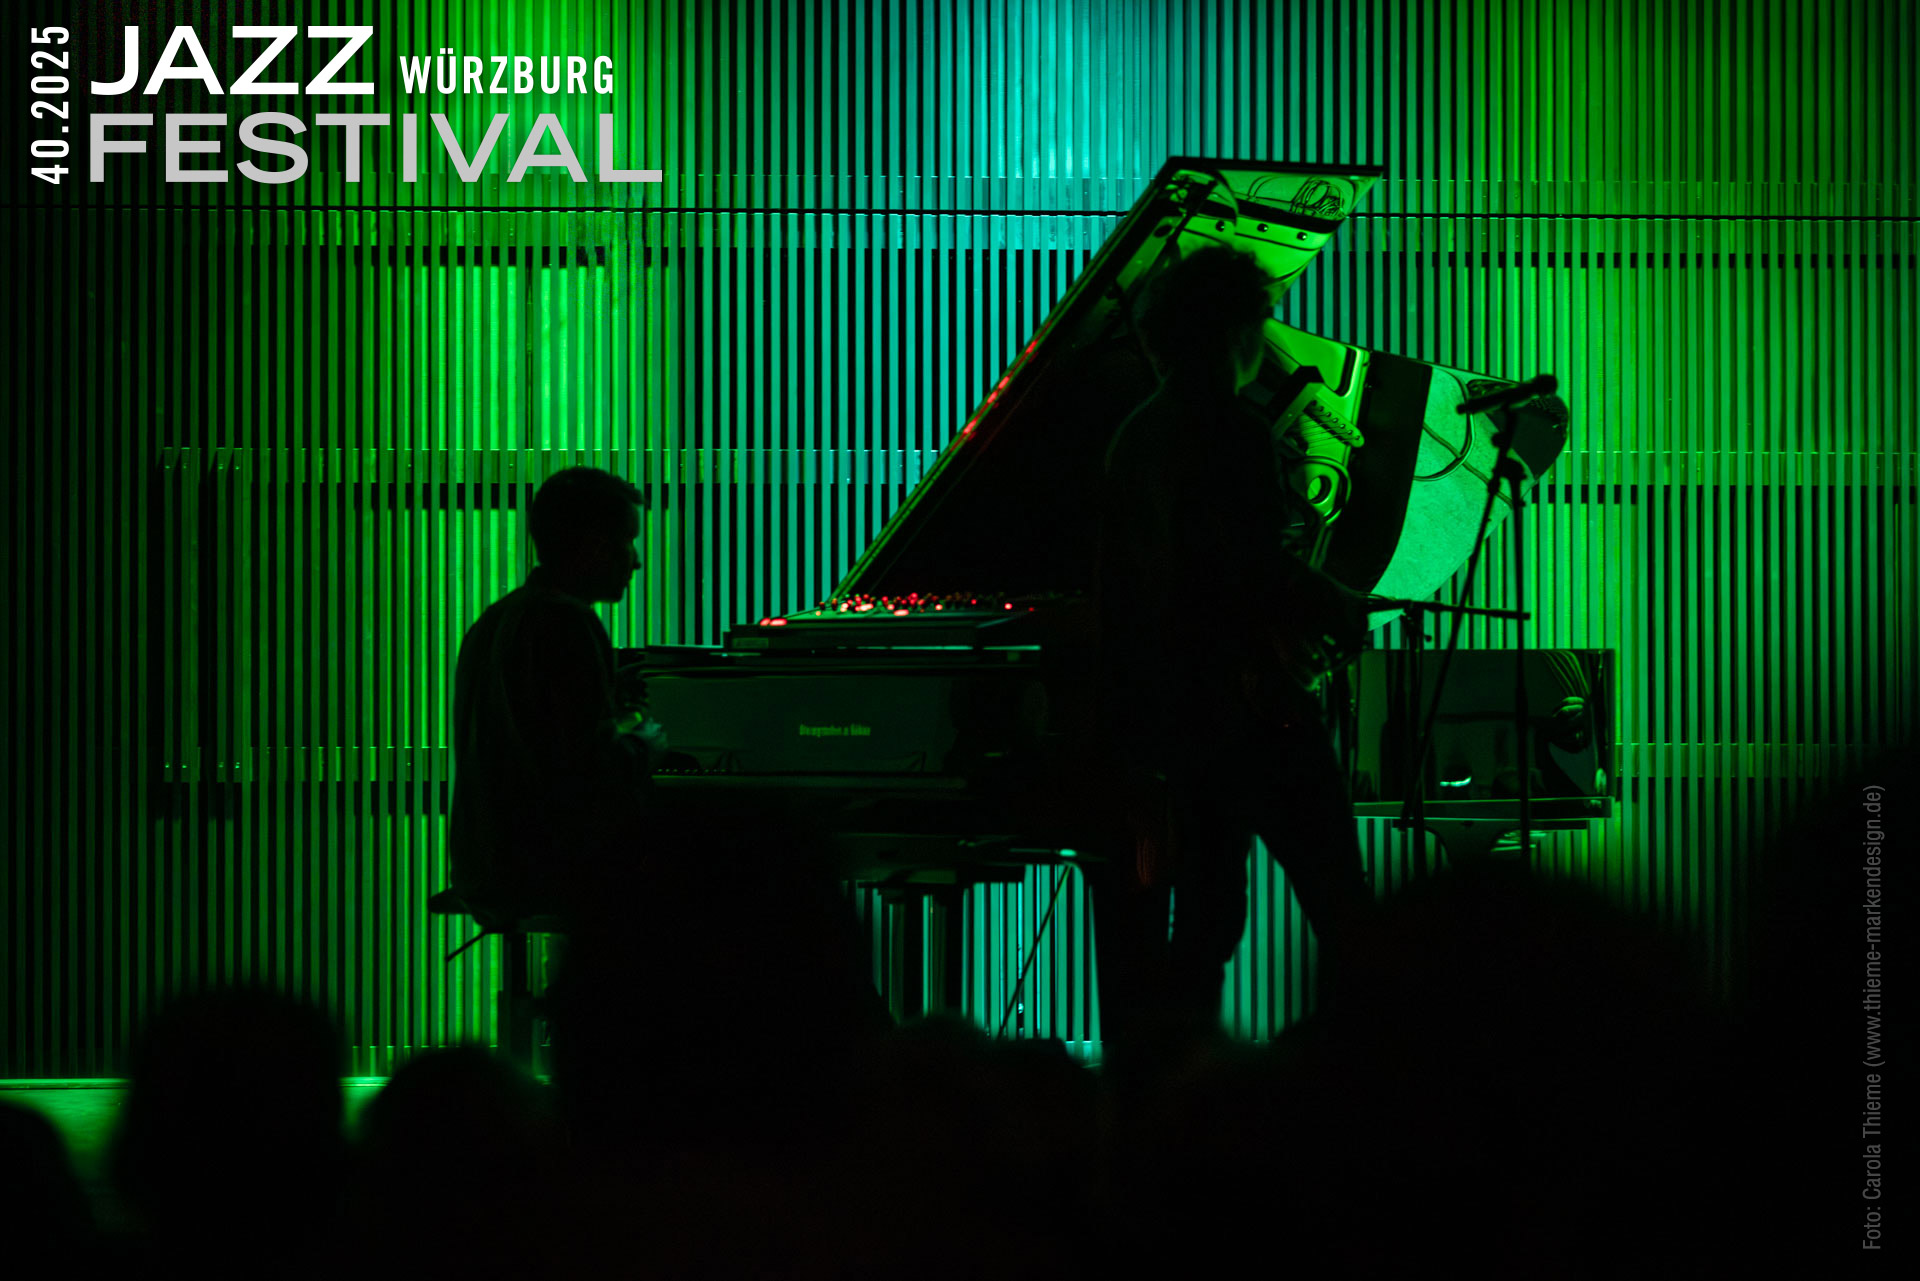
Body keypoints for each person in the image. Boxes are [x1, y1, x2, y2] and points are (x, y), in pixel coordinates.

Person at [1090, 245, 1375, 1060]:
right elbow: (1247, 568)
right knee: (1341, 904)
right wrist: (1333, 603)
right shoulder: (1231, 431)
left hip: (1181, 720)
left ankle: (1178, 1085)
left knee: (1206, 921)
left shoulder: (1136, 437)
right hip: (1256, 713)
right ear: (1234, 331)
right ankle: (1359, 1075)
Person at [448, 466, 660, 930]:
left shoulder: (495, 620)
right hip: (544, 871)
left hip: (484, 868)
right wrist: (645, 734)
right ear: (593, 546)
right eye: (627, 541)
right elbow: (592, 772)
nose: (636, 562)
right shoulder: (569, 622)